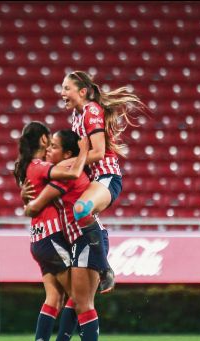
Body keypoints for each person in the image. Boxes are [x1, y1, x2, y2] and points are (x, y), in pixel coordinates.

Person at [24, 131, 107, 341]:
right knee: (75, 300)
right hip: (66, 240)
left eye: (54, 147)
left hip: (79, 239)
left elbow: (36, 205)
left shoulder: (65, 172)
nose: (49, 151)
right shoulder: (56, 170)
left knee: (72, 300)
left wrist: (26, 203)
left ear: (68, 154)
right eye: (47, 146)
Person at [13, 122, 89, 341]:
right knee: (79, 298)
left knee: (54, 298)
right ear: (44, 140)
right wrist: (84, 153)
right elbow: (71, 174)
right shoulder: (40, 167)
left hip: (38, 240)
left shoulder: (28, 168)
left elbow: (31, 204)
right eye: (51, 142)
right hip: (51, 238)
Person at [59, 70, 145, 292]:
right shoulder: (77, 115)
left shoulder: (91, 111)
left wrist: (68, 165)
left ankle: (105, 268)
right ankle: (98, 255)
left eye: (67, 88)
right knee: (76, 214)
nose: (62, 93)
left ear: (83, 91)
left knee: (81, 209)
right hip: (93, 179)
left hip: (107, 176)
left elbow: (97, 152)